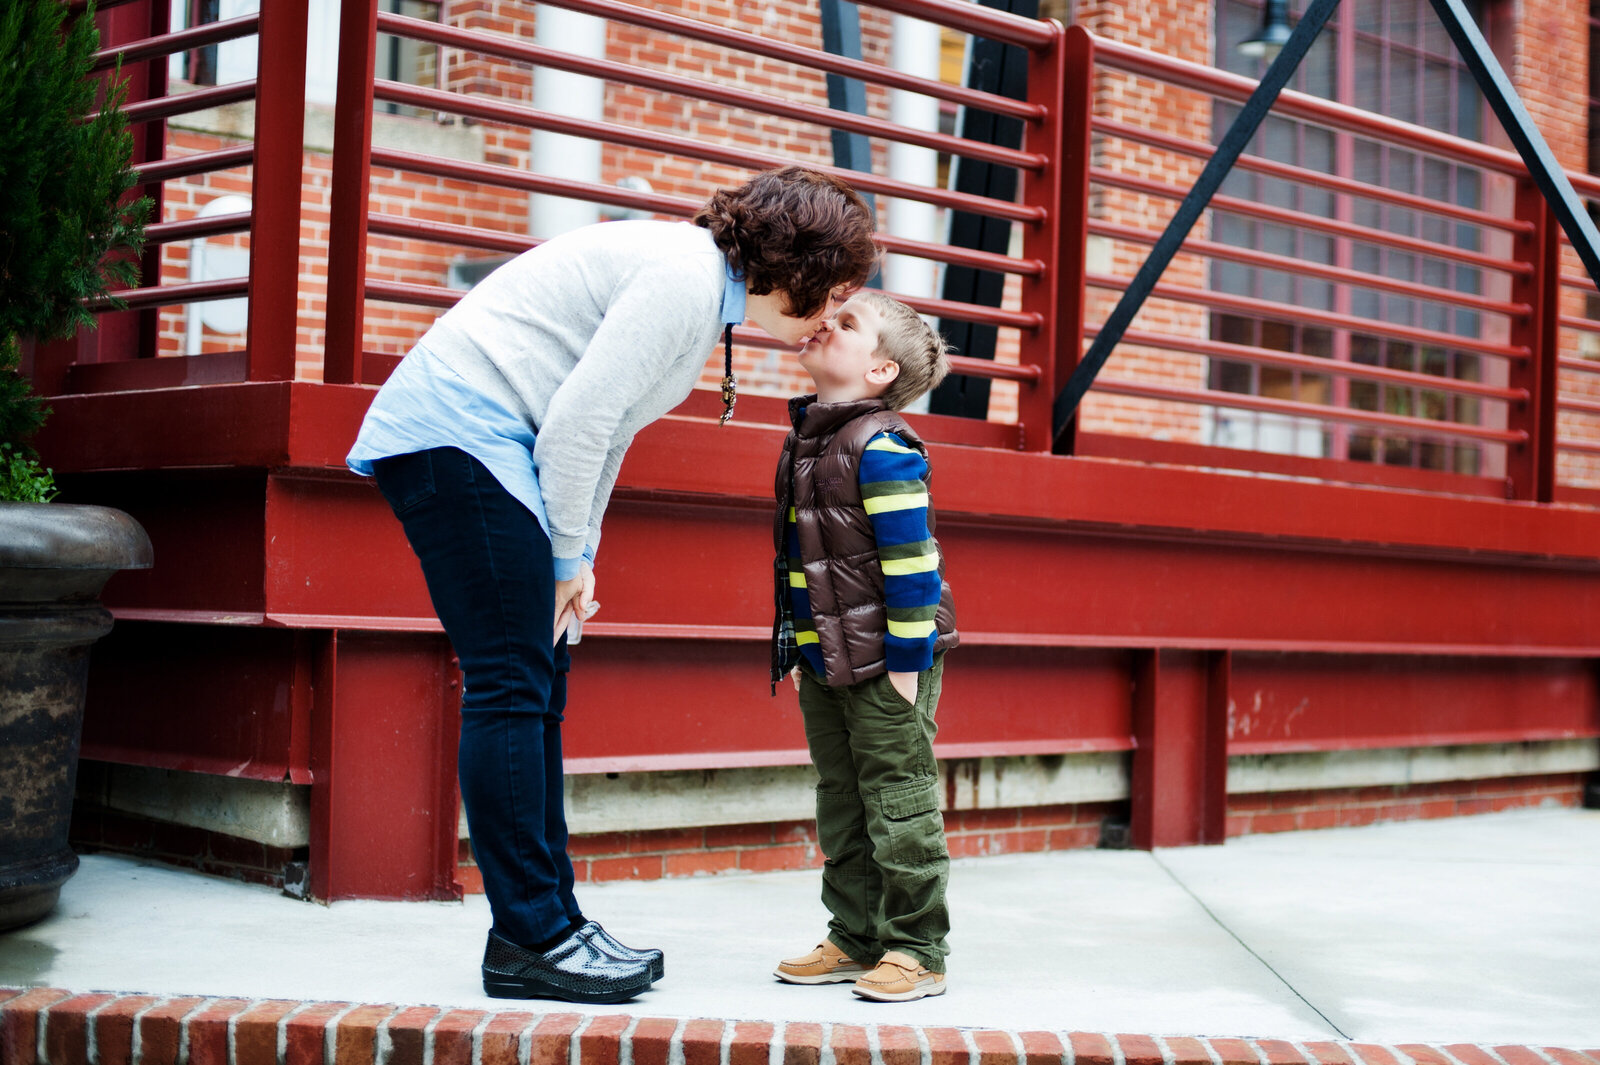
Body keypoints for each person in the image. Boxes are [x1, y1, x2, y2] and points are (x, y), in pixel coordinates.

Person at [346, 166, 878, 1005]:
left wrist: (577, 557)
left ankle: (552, 916)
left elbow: (608, 427)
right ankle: (531, 935)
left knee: (538, 679)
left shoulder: (702, 293)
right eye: (837, 289)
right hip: (458, 437)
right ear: (799, 264)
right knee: (512, 684)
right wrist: (564, 554)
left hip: (497, 451)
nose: (833, 310)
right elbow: (577, 422)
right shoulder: (683, 278)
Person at [769, 290, 959, 1003]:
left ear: (880, 371)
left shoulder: (880, 446)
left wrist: (908, 667)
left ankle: (917, 946)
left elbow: (914, 566)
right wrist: (798, 649)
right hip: (826, 658)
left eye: (847, 323)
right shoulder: (806, 439)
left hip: (888, 661)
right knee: (841, 798)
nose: (827, 323)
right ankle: (854, 935)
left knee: (898, 797)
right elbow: (803, 562)